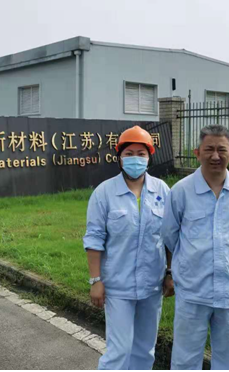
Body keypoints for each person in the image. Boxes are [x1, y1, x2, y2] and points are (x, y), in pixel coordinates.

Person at [162, 124, 229, 370]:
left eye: (222, 150)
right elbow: (170, 236)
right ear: (197, 153)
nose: (216, 156)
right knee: (185, 360)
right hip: (193, 292)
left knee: (228, 361)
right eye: (209, 149)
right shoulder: (181, 192)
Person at [83, 125, 173, 370]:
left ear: (149, 157)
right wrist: (96, 280)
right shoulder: (104, 193)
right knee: (119, 351)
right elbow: (94, 239)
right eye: (129, 153)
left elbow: (169, 238)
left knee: (145, 350)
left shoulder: (162, 191)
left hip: (152, 285)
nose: (135, 159)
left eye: (141, 154)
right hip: (117, 286)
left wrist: (170, 273)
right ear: (120, 158)